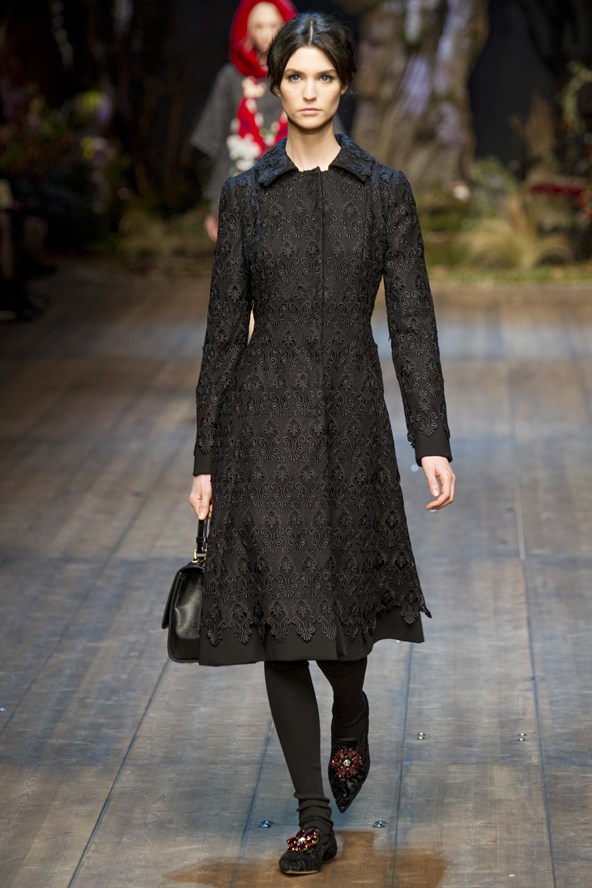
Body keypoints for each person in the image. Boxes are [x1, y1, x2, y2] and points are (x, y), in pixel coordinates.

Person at [189, 12, 455, 876]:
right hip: (262, 425)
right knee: (279, 622)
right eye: (295, 77)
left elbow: (411, 322)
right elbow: (222, 334)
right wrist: (206, 456)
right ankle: (312, 814)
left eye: (324, 77)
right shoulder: (246, 197)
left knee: (343, 614)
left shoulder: (383, 191)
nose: (308, 92)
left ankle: (352, 711)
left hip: (349, 419)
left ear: (343, 86)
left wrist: (431, 439)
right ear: (276, 86)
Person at [191, 0, 297, 242]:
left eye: (274, 25)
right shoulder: (231, 78)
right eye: (259, 26)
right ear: (246, 30)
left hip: (293, 195)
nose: (267, 33)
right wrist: (215, 206)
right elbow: (218, 145)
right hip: (241, 190)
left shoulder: (301, 76)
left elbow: (326, 141)